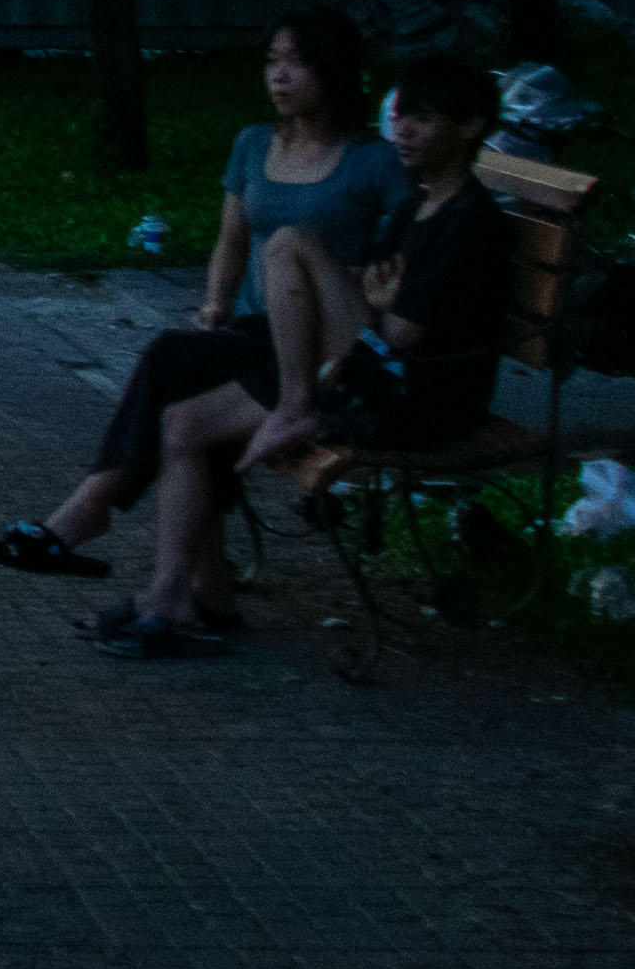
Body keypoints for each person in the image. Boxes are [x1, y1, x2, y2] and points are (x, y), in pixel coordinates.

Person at [91, 56, 523, 658]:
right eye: (398, 119)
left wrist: (375, 303)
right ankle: (178, 595)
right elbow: (375, 302)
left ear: (471, 127)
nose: (401, 132)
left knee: (289, 244)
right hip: (373, 371)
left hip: (416, 398)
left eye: (421, 121)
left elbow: (400, 334)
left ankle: (295, 406)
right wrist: (371, 299)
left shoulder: (469, 222)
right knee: (183, 423)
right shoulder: (412, 208)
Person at [0, 6, 390, 577]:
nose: (278, 76)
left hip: (311, 347)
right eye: (272, 62)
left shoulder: (373, 162)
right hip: (252, 331)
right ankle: (180, 569)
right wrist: (215, 303)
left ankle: (93, 513)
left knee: (173, 366)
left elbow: (391, 267)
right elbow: (231, 241)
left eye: (296, 63)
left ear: (335, 70)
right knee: (177, 363)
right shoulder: (253, 145)